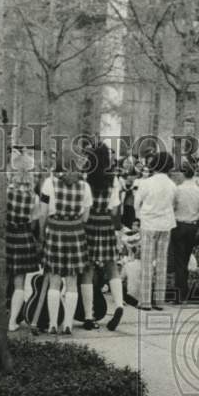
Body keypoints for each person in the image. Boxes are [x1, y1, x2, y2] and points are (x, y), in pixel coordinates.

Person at [39, 156, 92, 336]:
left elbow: (43, 213)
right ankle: (68, 324)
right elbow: (86, 217)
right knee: (72, 282)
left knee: (54, 280)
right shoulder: (85, 186)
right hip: (75, 232)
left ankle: (53, 324)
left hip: (55, 231)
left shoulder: (49, 183)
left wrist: (41, 234)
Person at [80, 141, 125, 330]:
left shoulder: (85, 178)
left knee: (87, 269)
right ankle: (119, 305)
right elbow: (115, 210)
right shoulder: (113, 179)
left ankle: (88, 316)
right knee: (112, 266)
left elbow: (83, 206)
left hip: (89, 223)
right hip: (106, 222)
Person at [135, 150, 176, 311]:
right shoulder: (172, 185)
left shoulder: (146, 183)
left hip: (148, 223)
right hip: (166, 224)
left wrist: (140, 216)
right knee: (161, 263)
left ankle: (145, 301)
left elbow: (137, 203)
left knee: (146, 263)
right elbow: (173, 204)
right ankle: (159, 300)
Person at [5, 150, 41, 332]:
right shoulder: (34, 197)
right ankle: (12, 321)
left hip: (6, 236)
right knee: (19, 282)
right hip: (24, 236)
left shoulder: (6, 192)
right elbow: (33, 222)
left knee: (3, 278)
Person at [170, 159, 199, 305]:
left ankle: (179, 294)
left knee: (179, 260)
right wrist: (198, 223)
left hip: (179, 224)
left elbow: (172, 207)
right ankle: (183, 292)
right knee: (185, 258)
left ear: (182, 174)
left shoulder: (178, 190)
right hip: (192, 226)